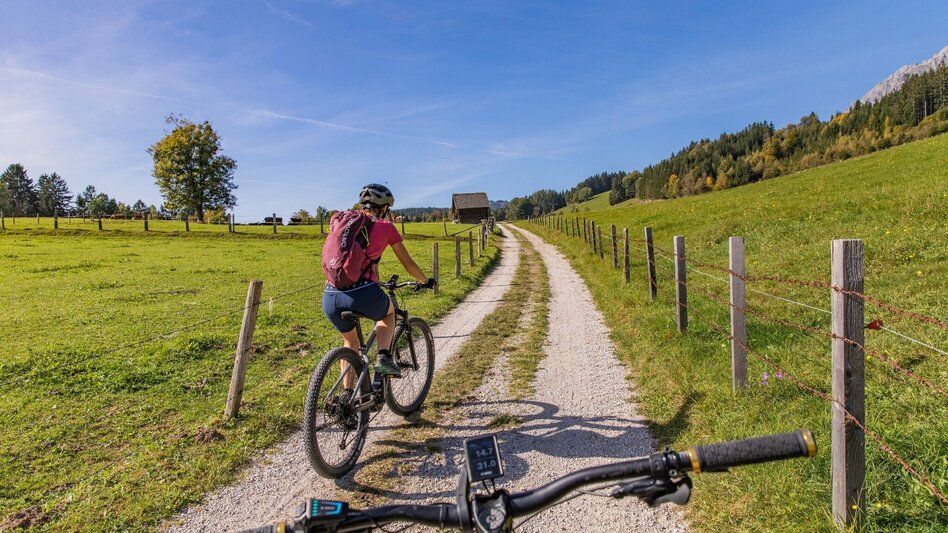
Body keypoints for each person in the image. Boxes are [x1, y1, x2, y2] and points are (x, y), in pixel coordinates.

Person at [322, 184, 435, 378]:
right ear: (384, 208)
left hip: (331, 295)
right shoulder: (385, 227)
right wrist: (425, 280)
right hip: (363, 293)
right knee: (388, 313)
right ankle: (383, 357)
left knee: (350, 344)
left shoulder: (342, 221)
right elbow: (408, 263)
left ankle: (346, 400)